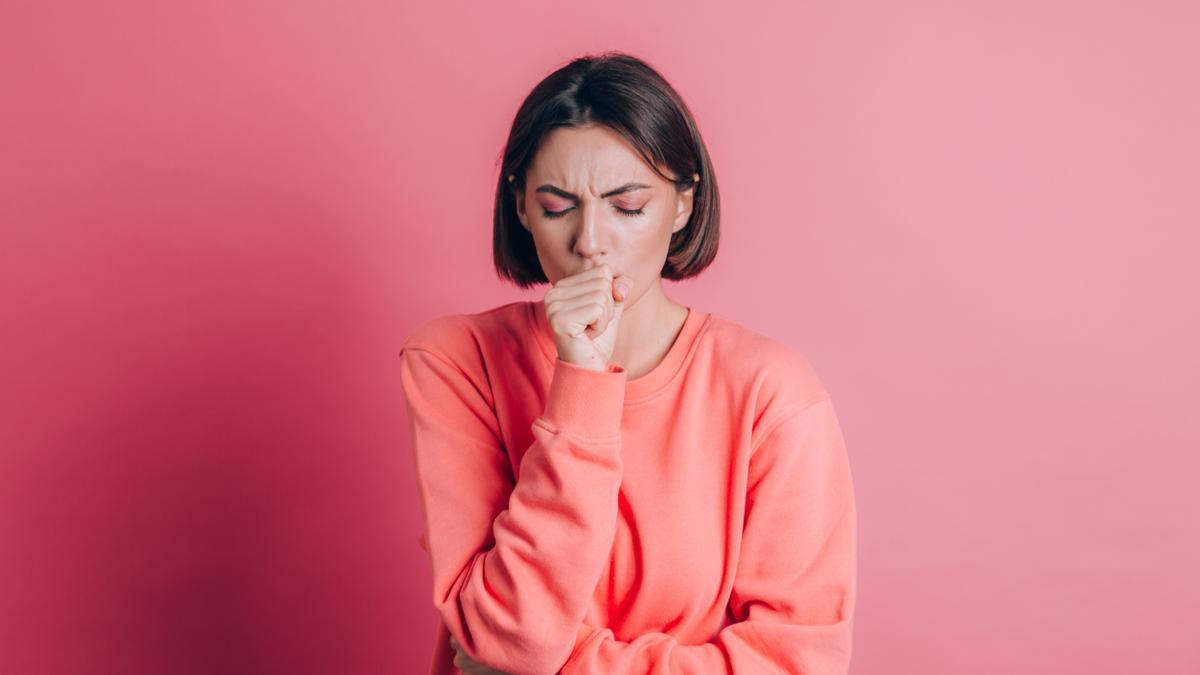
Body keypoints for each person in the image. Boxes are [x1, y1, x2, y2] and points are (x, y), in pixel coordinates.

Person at [398, 51, 857, 675]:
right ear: (522, 206)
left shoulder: (771, 393)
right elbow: (508, 636)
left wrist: (564, 669)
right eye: (559, 205)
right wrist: (581, 383)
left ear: (683, 206)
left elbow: (798, 661)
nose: (590, 241)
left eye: (628, 205)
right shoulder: (456, 363)